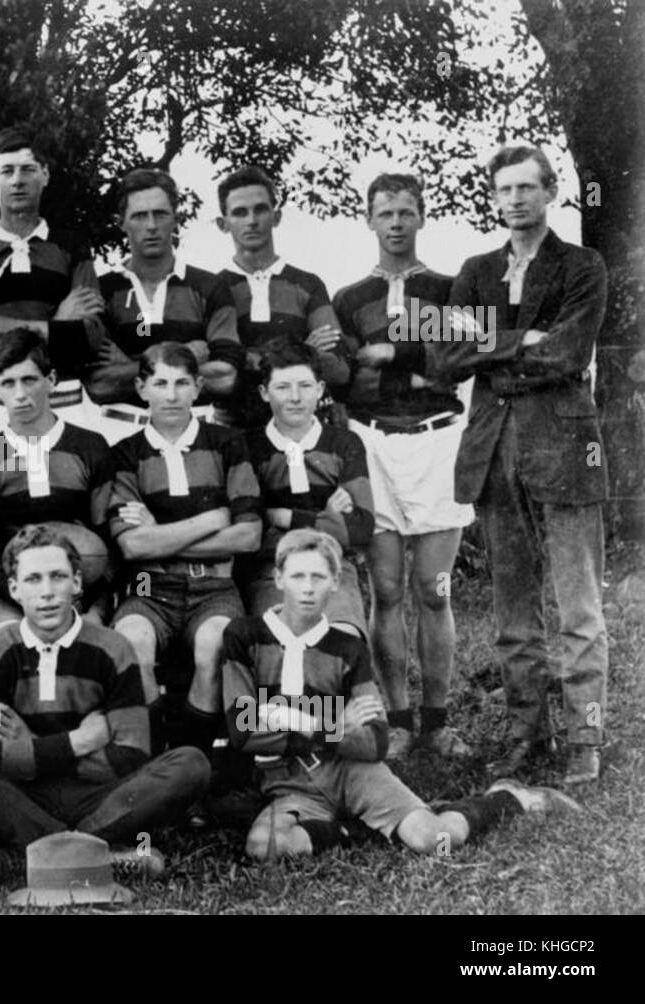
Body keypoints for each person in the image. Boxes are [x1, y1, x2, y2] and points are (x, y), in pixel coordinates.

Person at [223, 528, 579, 861]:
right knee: (265, 844)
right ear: (278, 578)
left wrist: (285, 717)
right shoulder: (245, 636)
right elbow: (243, 731)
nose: (307, 589)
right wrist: (335, 726)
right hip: (289, 782)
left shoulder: (347, 647)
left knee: (435, 840)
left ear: (335, 584)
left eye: (318, 577)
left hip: (353, 772)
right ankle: (365, 830)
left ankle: (509, 798)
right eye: (298, 576)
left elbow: (375, 741)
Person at [435, 144, 609, 785]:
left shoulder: (581, 266)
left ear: (550, 191)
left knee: (577, 607)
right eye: (504, 190)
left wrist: (495, 350)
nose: (515, 200)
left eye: (527, 188)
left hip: (563, 450)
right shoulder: (476, 271)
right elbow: (444, 358)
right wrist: (517, 341)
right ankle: (525, 733)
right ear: (494, 197)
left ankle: (585, 738)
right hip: (494, 451)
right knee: (513, 612)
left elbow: (566, 354)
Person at [0, 525, 210, 880]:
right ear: (14, 588)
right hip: (25, 797)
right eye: (33, 579)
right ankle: (99, 854)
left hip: (101, 797)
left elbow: (132, 754)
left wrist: (30, 746)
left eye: (58, 577)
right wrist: (78, 742)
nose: (46, 592)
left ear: (77, 583)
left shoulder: (112, 648)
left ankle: (36, 854)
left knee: (192, 763)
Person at [333, 172, 475, 759]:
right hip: (375, 445)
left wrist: (399, 354)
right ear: (368, 219)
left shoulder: (448, 287)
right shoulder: (347, 298)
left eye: (405, 212)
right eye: (384, 212)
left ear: (421, 217)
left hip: (438, 441)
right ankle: (396, 721)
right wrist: (420, 369)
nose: (395, 223)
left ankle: (438, 721)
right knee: (387, 590)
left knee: (434, 590)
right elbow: (347, 376)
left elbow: (465, 357)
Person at [109, 342, 262, 766]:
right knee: (132, 639)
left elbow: (248, 535)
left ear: (198, 387)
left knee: (215, 642)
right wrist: (212, 518)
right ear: (142, 388)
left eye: (181, 383)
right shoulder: (124, 453)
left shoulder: (228, 444)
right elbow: (132, 544)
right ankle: (152, 759)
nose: (171, 395)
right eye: (160, 383)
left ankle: (191, 764)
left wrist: (161, 532)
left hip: (214, 585)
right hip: (148, 585)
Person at [0, 124, 105, 447]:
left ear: (45, 174)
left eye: (28, 169)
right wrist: (57, 325)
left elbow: (91, 338)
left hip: (64, 400)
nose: (17, 180)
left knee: (69, 493)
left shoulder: (72, 246)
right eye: (7, 171)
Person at [0, 328, 114, 627]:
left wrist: (96, 607)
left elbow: (107, 543)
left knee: (89, 644)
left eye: (30, 380)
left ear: (52, 381)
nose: (20, 394)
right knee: (4, 643)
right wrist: (16, 593)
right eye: (8, 383)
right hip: (14, 592)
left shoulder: (91, 446)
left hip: (79, 589)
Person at [90, 167, 242, 444]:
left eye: (160, 214)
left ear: (175, 218)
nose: (151, 225)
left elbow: (226, 376)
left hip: (196, 432)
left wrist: (130, 366)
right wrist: (187, 356)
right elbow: (98, 384)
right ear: (121, 222)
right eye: (139, 215)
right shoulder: (102, 291)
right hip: (120, 431)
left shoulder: (209, 287)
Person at [240, 343, 372, 638]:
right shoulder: (247, 447)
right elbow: (251, 529)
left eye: (305, 385)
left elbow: (361, 529)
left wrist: (284, 516)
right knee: (280, 643)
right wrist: (326, 519)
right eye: (283, 387)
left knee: (342, 640)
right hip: (271, 572)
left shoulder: (345, 444)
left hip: (331, 569)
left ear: (321, 389)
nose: (295, 397)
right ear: (264, 393)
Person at [214, 166, 349, 427]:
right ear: (223, 223)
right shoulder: (213, 288)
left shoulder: (307, 284)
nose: (252, 220)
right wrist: (303, 352)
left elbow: (339, 369)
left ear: (276, 217)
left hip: (298, 425)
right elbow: (218, 368)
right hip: (234, 426)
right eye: (240, 212)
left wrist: (250, 358)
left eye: (260, 209)